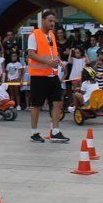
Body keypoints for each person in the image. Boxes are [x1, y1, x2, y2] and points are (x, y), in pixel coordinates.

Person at [27, 10, 69, 143]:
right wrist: (47, 62)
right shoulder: (34, 35)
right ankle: (34, 132)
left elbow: (54, 54)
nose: (52, 23)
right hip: (39, 76)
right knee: (37, 105)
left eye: (53, 21)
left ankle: (55, 131)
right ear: (43, 21)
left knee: (58, 102)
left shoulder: (52, 35)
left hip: (52, 75)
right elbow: (31, 54)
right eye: (50, 21)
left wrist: (60, 62)